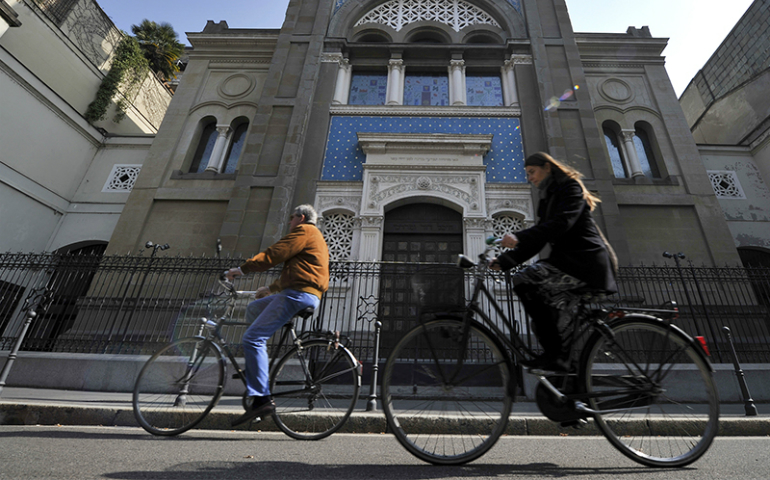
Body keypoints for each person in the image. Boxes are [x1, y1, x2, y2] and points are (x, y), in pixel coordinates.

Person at [490, 152, 618, 372]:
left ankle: (556, 358)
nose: (529, 178)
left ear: (547, 167)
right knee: (544, 322)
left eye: (532, 172)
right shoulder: (548, 197)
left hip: (585, 262)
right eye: (527, 174)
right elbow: (540, 239)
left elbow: (561, 223)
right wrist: (504, 261)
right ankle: (568, 374)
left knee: (525, 280)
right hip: (569, 263)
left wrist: (520, 236)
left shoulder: (570, 187)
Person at [225, 204, 329, 426]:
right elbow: (298, 271)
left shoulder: (304, 231)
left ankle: (262, 399)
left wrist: (242, 269)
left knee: (252, 338)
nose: (289, 222)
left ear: (300, 218)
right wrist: (271, 289)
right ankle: (257, 364)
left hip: (298, 294)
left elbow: (275, 254)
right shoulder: (313, 236)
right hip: (301, 292)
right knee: (254, 308)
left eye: (292, 218)